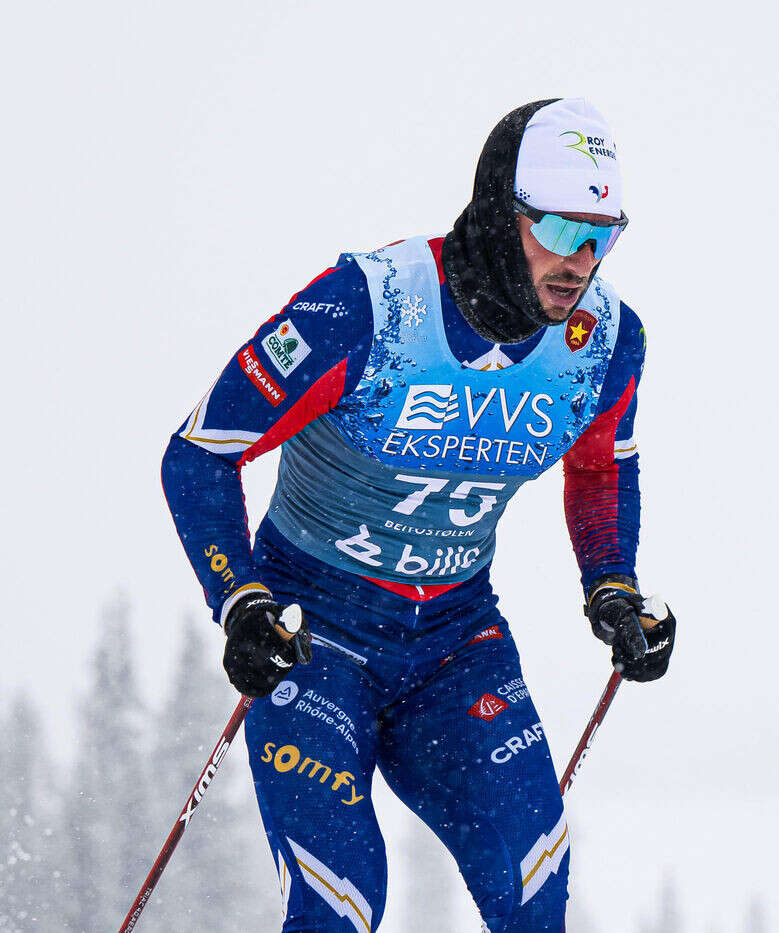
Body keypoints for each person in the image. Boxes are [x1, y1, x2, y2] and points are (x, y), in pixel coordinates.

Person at [161, 97, 675, 932]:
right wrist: (241, 603)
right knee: (343, 902)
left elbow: (599, 464)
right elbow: (200, 452)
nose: (581, 260)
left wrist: (613, 587)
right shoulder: (369, 308)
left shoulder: (604, 340)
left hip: (454, 644)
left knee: (535, 886)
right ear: (499, 208)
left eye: (602, 233)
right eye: (560, 229)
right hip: (313, 634)